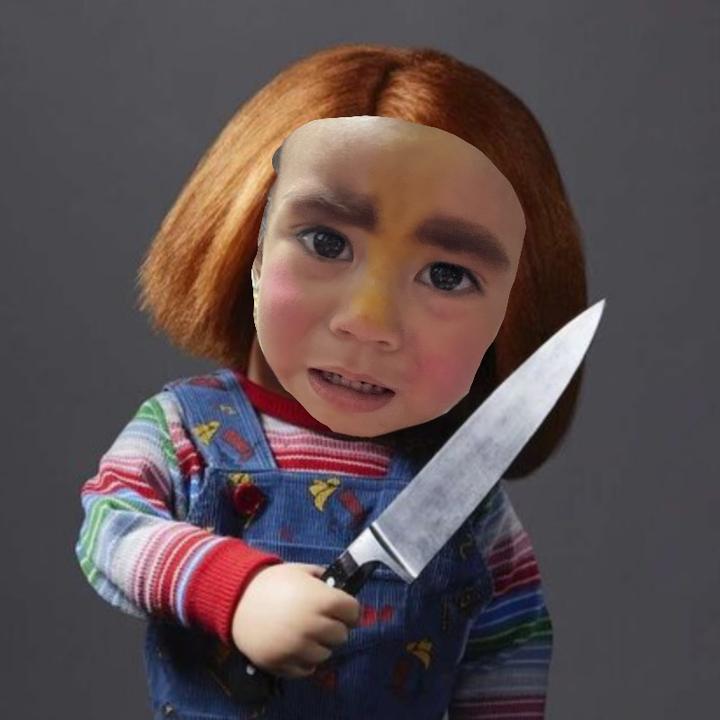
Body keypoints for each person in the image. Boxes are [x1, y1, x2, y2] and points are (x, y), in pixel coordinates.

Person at [75, 43, 587, 719]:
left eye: (446, 276)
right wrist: (235, 589)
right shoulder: (187, 432)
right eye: (325, 243)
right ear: (250, 248)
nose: (370, 322)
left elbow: (508, 646)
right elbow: (111, 529)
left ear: (512, 316)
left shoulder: (462, 495)